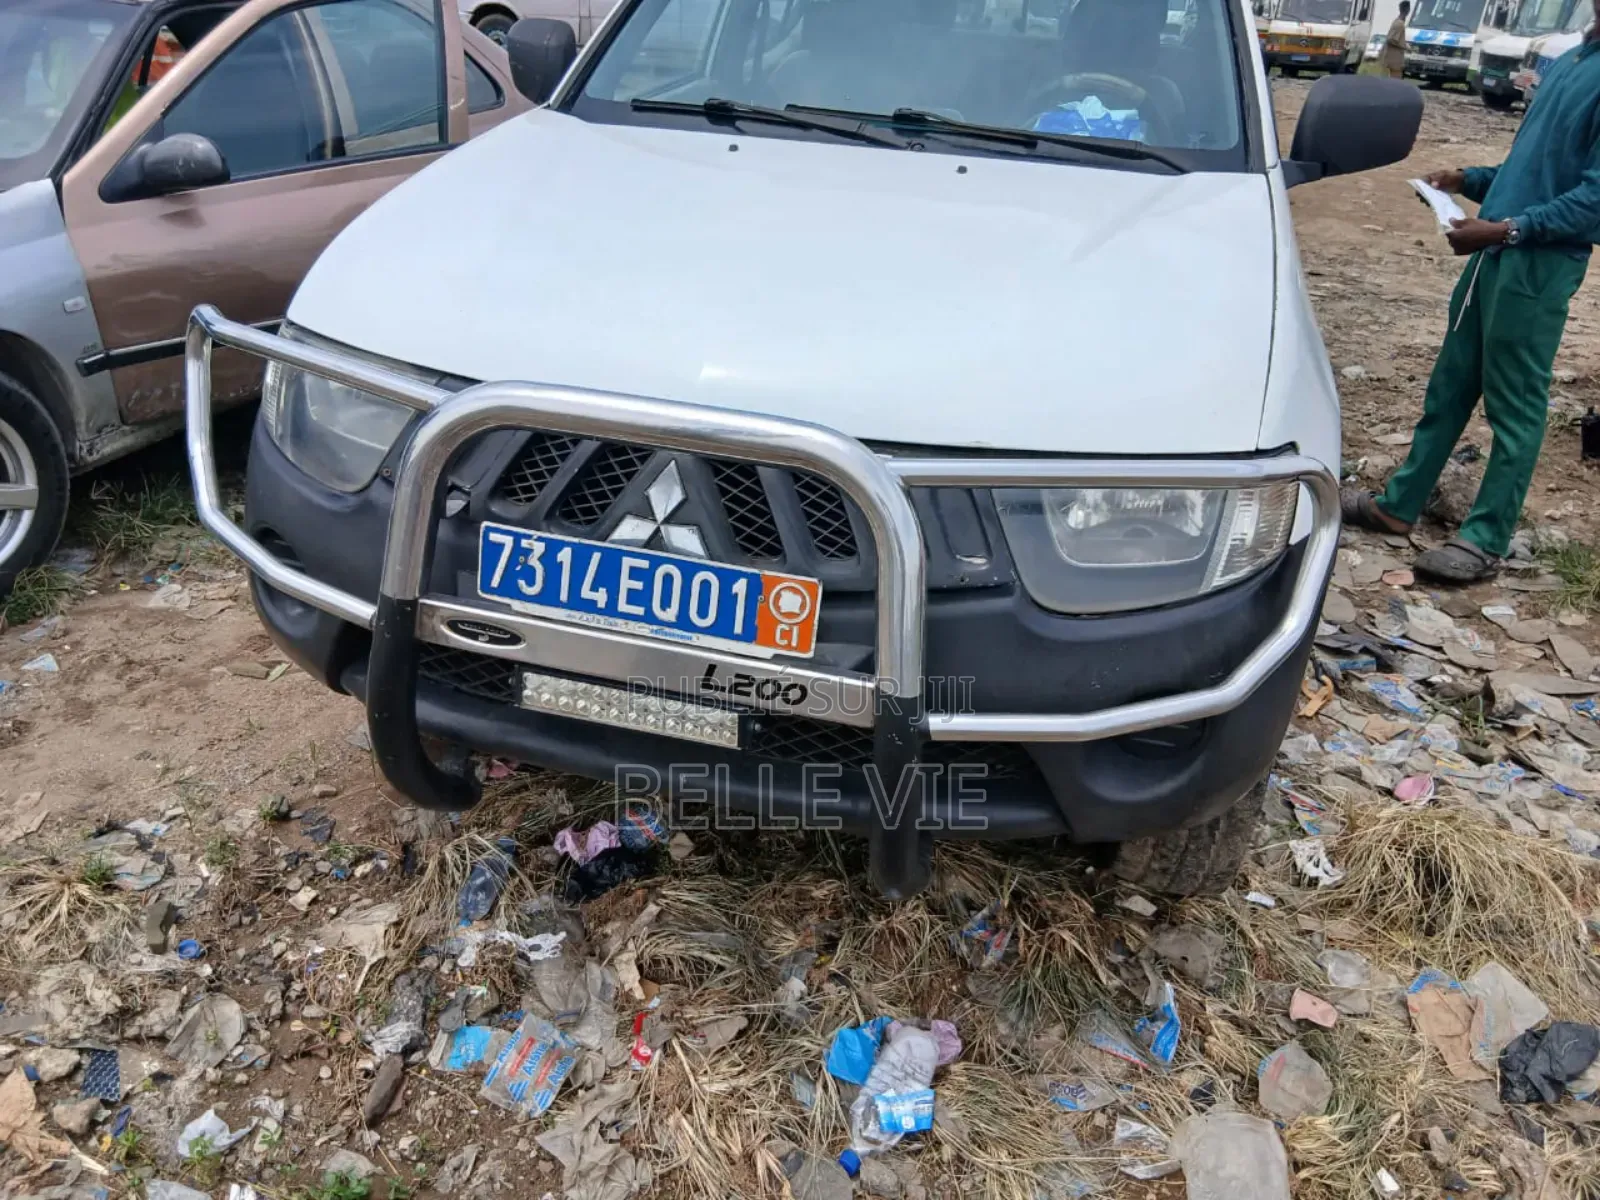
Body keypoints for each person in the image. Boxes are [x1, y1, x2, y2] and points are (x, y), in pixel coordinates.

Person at [1343, 0, 1600, 584]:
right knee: (1451, 384)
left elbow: (1593, 198)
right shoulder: (1571, 63)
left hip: (1539, 264)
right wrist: (1470, 181)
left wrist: (1509, 228)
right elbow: (1533, 166)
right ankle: (1398, 505)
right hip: (1493, 255)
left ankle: (1486, 538)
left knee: (1516, 404)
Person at [1384, 1, 1409, 79]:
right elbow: (1391, 39)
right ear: (1407, 9)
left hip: (1394, 58)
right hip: (1395, 59)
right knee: (1395, 81)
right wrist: (1405, 46)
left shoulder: (1396, 22)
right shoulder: (1399, 24)